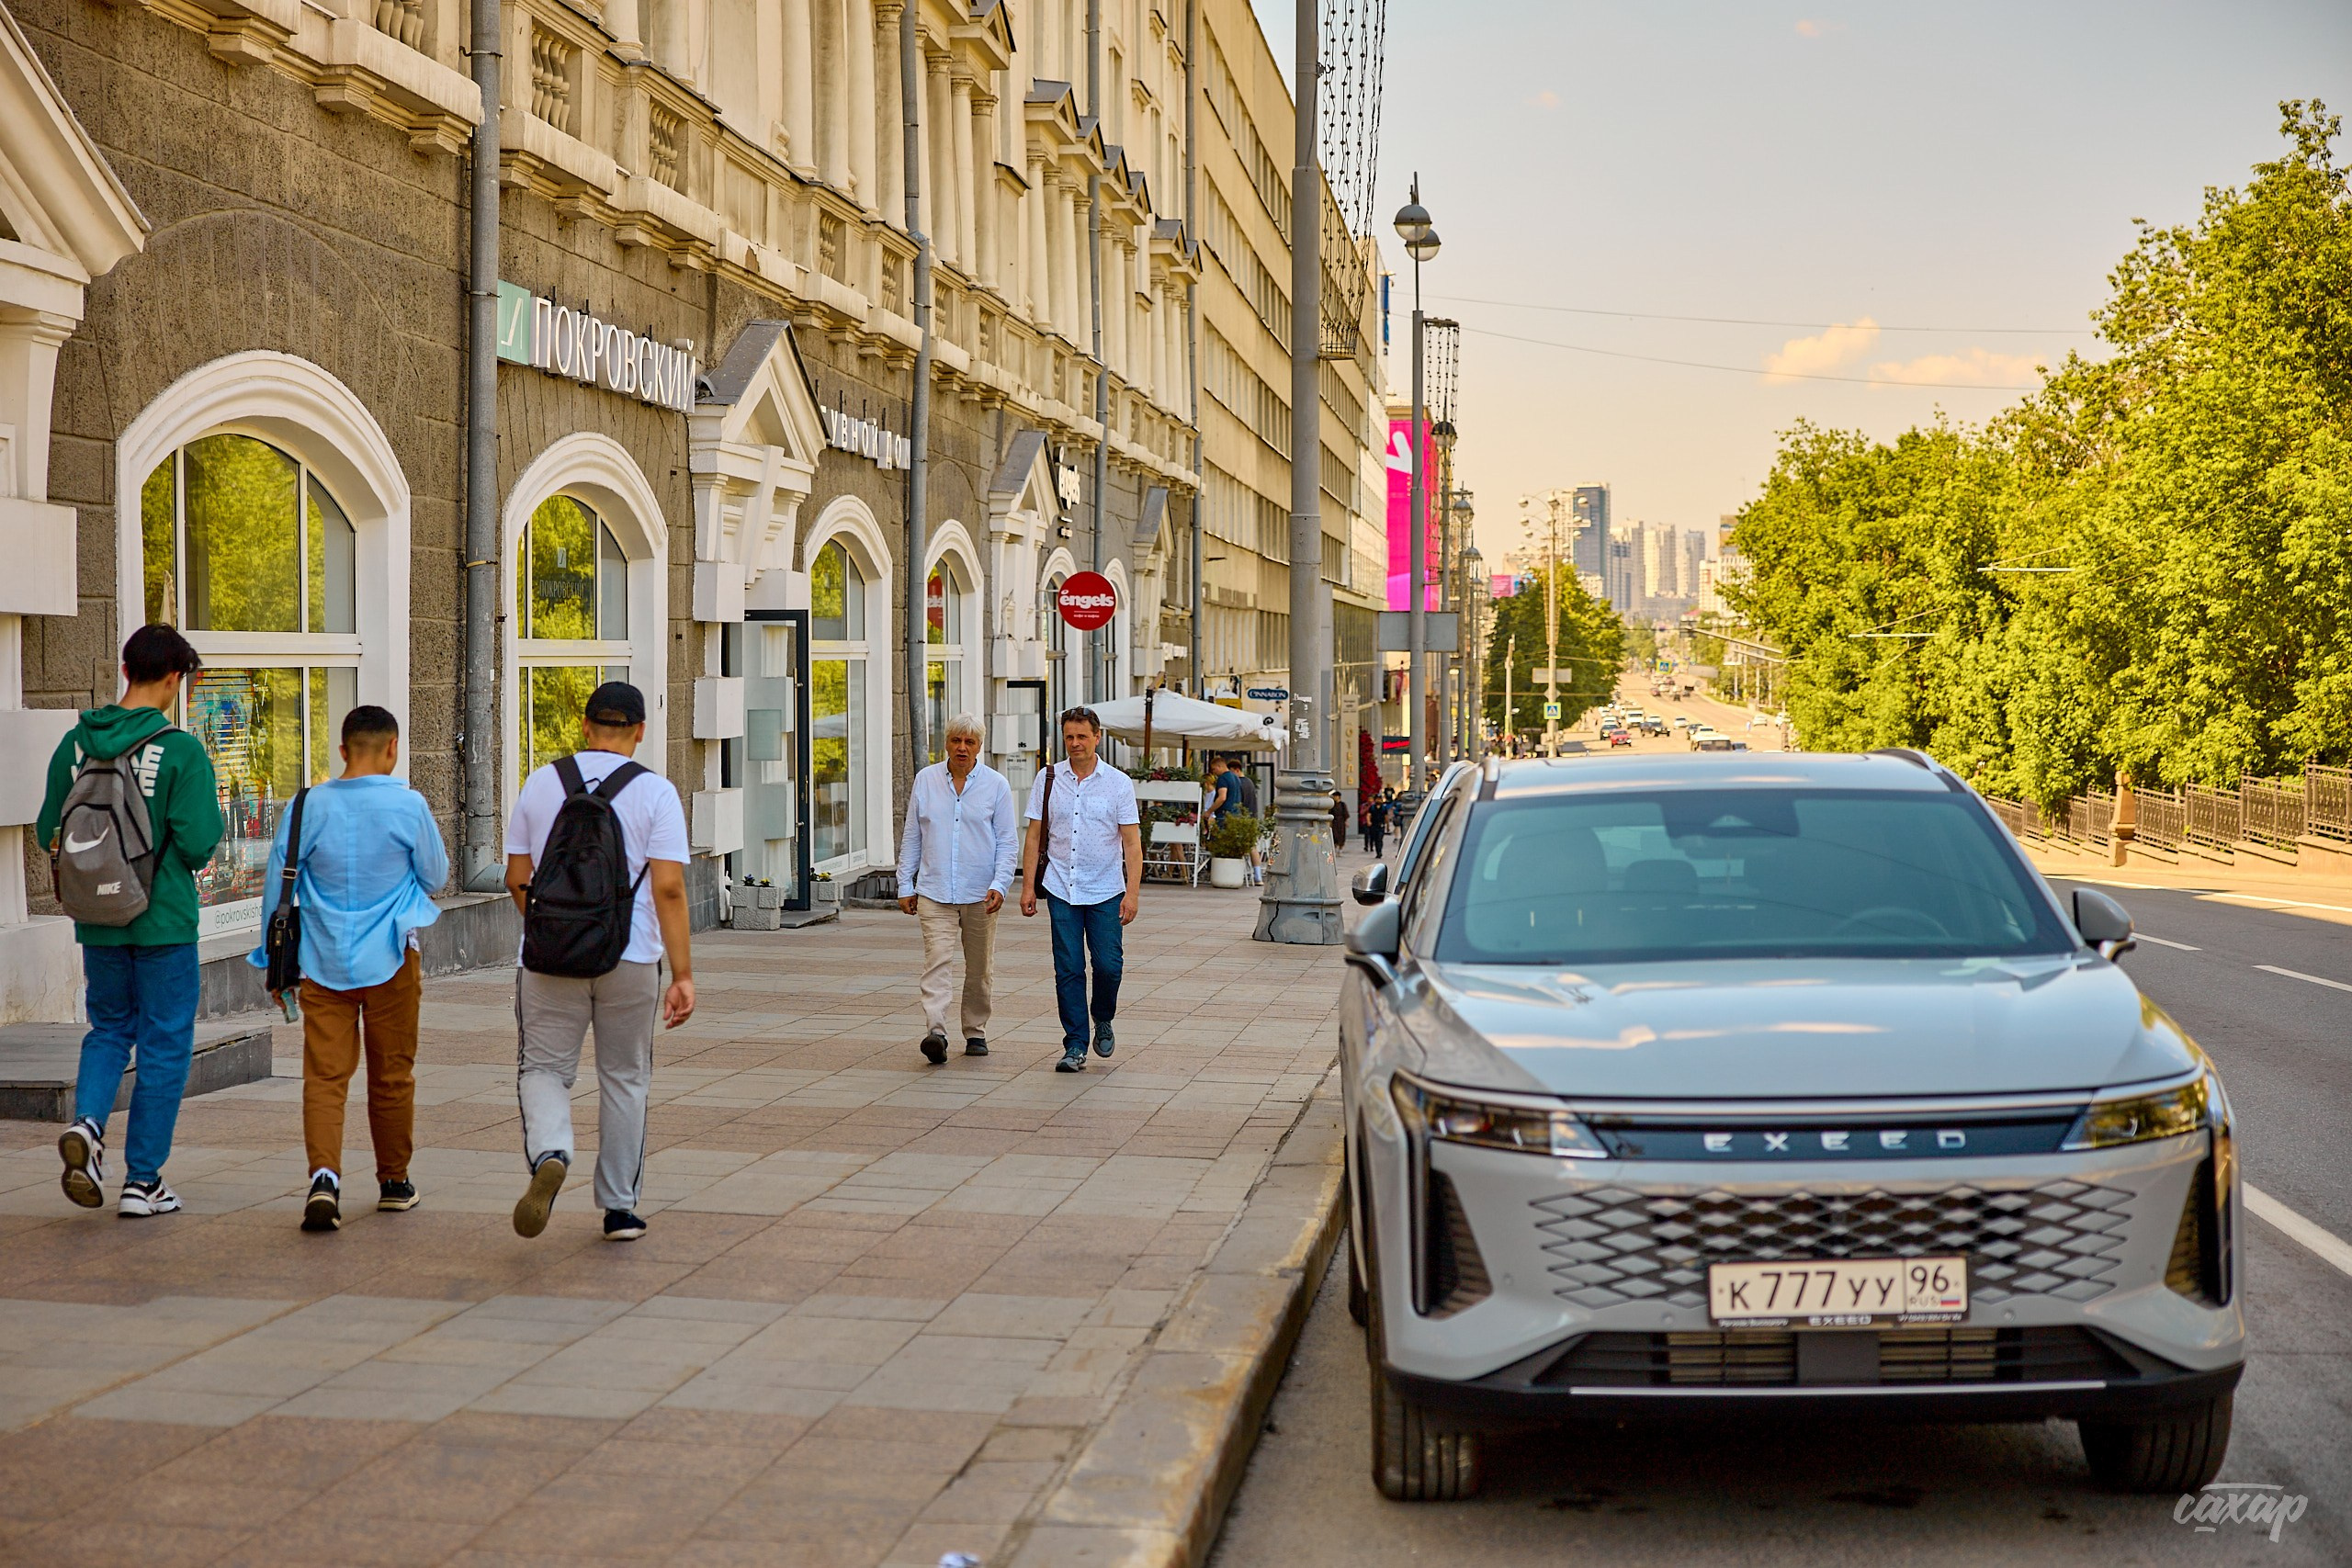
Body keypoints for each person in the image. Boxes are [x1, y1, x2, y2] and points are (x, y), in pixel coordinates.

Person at [39, 626, 223, 1218]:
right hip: (163, 919)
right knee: (166, 1043)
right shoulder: (180, 749)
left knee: (109, 1028)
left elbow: (49, 832)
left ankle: (89, 1128)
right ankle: (143, 1181)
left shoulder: (75, 745)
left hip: (97, 918)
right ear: (174, 678)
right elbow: (198, 844)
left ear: (126, 669)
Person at [503, 682, 694, 1243]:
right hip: (630, 957)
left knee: (542, 1068)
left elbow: (518, 878)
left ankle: (550, 1151)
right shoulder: (655, 793)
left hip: (546, 959)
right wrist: (682, 974)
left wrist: (554, 926)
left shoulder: (542, 782)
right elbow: (670, 889)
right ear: (640, 731)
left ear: (585, 726)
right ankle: (618, 1210)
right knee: (625, 1078)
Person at [247, 706, 447, 1233]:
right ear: (392, 749)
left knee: (325, 1077)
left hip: (320, 960)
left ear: (342, 750)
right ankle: (394, 1182)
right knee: (392, 1075)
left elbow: (278, 888)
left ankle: (324, 1180)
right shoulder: (408, 805)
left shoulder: (306, 805)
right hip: (393, 960)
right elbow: (436, 874)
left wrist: (272, 964)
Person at [1020, 707, 1142, 1073]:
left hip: (1106, 889)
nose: (1075, 743)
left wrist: (1131, 893)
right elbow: (1034, 836)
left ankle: (1102, 1017)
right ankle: (1075, 1044)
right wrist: (1028, 888)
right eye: (1069, 737)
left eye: (1081, 737)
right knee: (1068, 968)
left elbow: (1132, 844)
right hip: (1061, 887)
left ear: (1097, 737)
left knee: (1108, 966)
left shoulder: (1117, 783)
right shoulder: (1048, 778)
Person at [898, 713, 1019, 1064]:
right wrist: (906, 884)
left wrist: (1000, 884)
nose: (962, 748)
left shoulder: (996, 785)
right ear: (946, 743)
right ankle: (936, 1031)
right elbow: (912, 836)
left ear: (980, 746)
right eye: (956, 741)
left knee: (980, 966)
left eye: (970, 742)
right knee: (937, 960)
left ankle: (976, 1031)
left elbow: (1007, 842)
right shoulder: (926, 780)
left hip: (981, 894)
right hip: (934, 891)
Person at [1208, 754, 1248, 823]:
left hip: (1224, 816)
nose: (1213, 772)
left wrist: (1209, 811)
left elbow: (1222, 798)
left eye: (1214, 769)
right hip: (1236, 815)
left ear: (1219, 766)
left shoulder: (1223, 778)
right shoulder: (1236, 778)